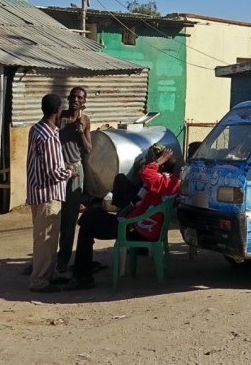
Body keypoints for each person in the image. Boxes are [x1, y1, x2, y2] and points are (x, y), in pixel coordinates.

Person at [64, 144, 179, 290]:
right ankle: (83, 272)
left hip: (135, 228)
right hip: (139, 225)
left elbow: (147, 173)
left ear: (161, 165)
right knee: (89, 219)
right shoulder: (172, 180)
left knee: (87, 222)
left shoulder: (163, 182)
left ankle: (82, 275)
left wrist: (158, 161)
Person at [26, 93, 77, 293]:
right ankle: (39, 281)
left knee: (48, 238)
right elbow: (52, 171)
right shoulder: (48, 135)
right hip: (48, 194)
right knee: (45, 240)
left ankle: (49, 274)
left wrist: (61, 165)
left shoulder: (36, 129)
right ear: (58, 111)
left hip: (37, 191)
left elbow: (43, 161)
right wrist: (69, 172)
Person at [56, 86, 92, 273]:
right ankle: (45, 258)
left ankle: (63, 259)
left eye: (79, 98)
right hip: (57, 171)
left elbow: (87, 150)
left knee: (69, 219)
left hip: (75, 173)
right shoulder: (59, 117)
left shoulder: (84, 121)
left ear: (84, 102)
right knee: (52, 217)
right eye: (73, 96)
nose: (75, 100)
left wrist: (79, 132)